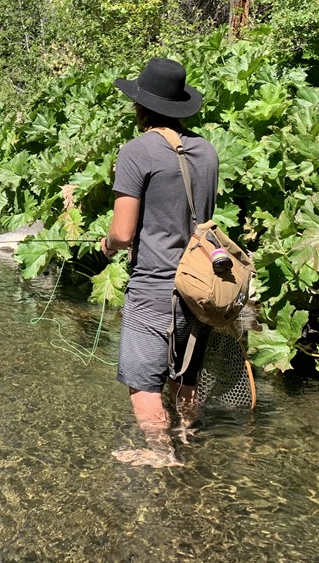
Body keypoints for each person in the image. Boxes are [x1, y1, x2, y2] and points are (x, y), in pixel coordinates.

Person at [99, 57, 218, 468]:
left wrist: (108, 244)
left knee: (143, 384)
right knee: (185, 377)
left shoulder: (136, 152)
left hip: (154, 289)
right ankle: (187, 440)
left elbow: (124, 232)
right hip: (200, 289)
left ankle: (160, 453)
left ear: (141, 106)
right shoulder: (206, 151)